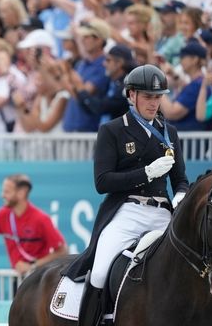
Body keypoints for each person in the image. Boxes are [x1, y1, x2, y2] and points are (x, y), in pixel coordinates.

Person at [65, 64, 190, 326]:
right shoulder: (112, 130)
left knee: (191, 263)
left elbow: (180, 179)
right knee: (99, 273)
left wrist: (180, 195)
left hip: (162, 213)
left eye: (158, 97)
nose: (154, 103)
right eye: (148, 96)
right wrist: (145, 173)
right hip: (127, 211)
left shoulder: (170, 133)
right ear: (131, 95)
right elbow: (102, 181)